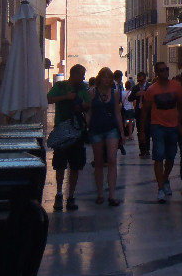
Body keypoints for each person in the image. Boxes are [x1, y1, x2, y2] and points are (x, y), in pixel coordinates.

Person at [139, 61, 182, 203]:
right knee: (158, 156)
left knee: (171, 157)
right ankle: (160, 188)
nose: (165, 72)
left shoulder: (176, 86)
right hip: (157, 126)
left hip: (173, 126)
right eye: (161, 70)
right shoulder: (151, 90)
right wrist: (141, 131)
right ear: (156, 73)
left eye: (166, 69)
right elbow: (144, 111)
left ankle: (165, 178)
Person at [47, 64, 90, 211]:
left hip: (77, 131)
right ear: (74, 75)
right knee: (59, 165)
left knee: (75, 165)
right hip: (62, 130)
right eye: (82, 74)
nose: (83, 78)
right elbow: (49, 98)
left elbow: (87, 105)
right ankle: (59, 193)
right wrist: (66, 97)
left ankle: (70, 196)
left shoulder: (83, 89)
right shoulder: (60, 86)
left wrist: (80, 104)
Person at [88, 67, 126, 206]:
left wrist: (121, 131)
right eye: (104, 77)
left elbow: (117, 112)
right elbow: (89, 111)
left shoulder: (115, 93)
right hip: (96, 129)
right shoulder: (92, 93)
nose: (107, 79)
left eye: (109, 77)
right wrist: (88, 125)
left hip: (111, 129)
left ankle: (111, 194)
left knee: (112, 160)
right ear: (99, 78)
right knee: (98, 162)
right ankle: (99, 193)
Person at [130, 71, 150, 157]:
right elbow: (130, 98)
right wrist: (136, 95)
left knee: (147, 131)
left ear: (145, 79)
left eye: (142, 81)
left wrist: (146, 94)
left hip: (148, 112)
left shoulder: (150, 87)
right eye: (139, 81)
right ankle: (142, 150)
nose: (140, 82)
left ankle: (147, 149)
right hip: (139, 112)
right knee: (140, 131)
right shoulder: (135, 88)